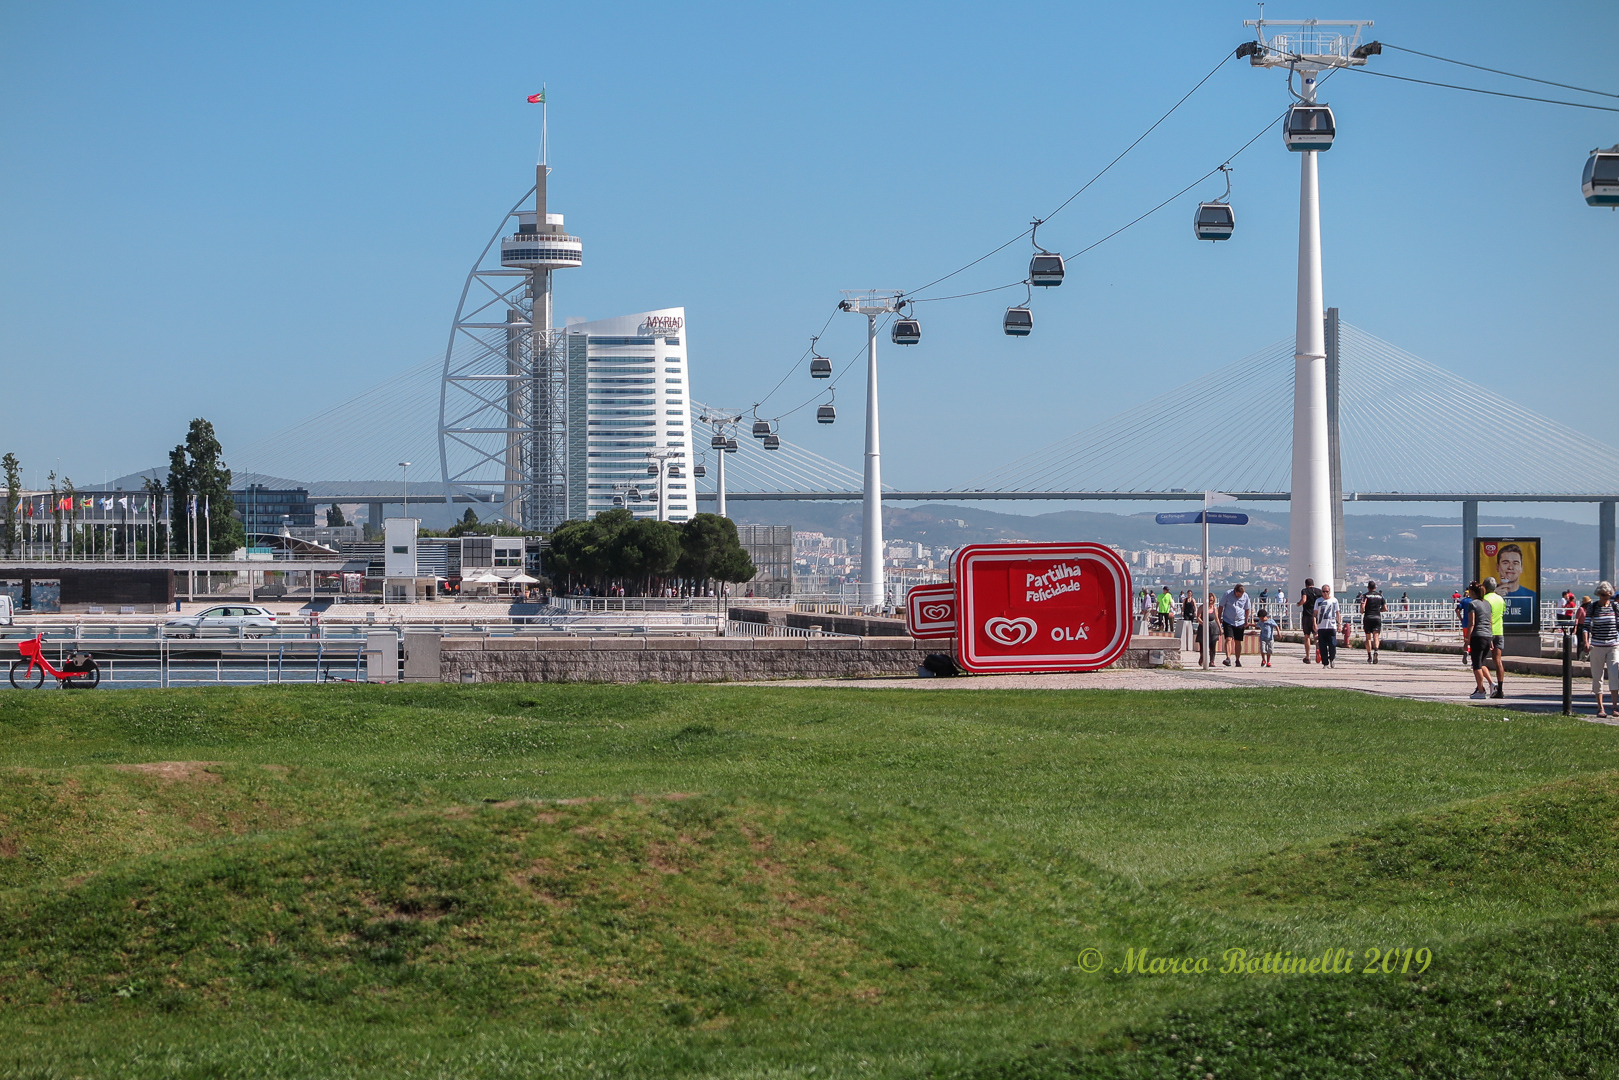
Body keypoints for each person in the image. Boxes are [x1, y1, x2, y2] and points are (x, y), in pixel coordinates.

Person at [1585, 583, 1619, 717]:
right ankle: (1600, 707)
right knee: (1597, 676)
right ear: (1599, 595)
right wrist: (1586, 642)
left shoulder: (1615, 607)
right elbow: (1586, 626)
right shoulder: (1593, 607)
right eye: (1604, 595)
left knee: (1614, 674)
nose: (1607, 598)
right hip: (1597, 646)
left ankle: (1614, 707)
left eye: (1609, 595)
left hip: (1613, 645)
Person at [1461, 583, 1496, 700]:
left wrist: (1467, 640)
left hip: (1477, 636)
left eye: (1470, 591)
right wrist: (1490, 638)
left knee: (1476, 665)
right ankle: (1491, 684)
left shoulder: (1473, 604)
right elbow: (1490, 622)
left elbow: (1472, 623)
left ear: (1472, 592)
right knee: (1482, 663)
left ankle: (1481, 690)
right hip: (1487, 636)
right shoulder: (1487, 604)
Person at [1482, 576, 1507, 699]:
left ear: (1485, 587)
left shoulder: (1484, 599)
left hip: (1487, 632)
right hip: (1499, 632)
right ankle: (1500, 689)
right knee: (1498, 661)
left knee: (1480, 660)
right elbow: (1503, 611)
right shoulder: (1500, 599)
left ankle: (1481, 687)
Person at [1219, 583, 1253, 667]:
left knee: (1238, 641)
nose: (1239, 596)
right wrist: (1219, 618)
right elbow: (1221, 606)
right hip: (1228, 620)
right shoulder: (1227, 594)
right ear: (1235, 591)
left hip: (1240, 621)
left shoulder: (1245, 596)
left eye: (1240, 595)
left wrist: (1246, 620)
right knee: (1228, 639)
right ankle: (1228, 658)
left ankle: (1237, 659)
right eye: (1238, 595)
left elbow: (1247, 608)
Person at [1314, 584, 1341, 668]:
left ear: (1329, 592)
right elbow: (1315, 614)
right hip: (1321, 626)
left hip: (1331, 626)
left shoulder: (1334, 600)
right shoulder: (1318, 601)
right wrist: (1314, 624)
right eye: (1323, 591)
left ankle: (1332, 658)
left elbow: (1337, 613)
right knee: (1322, 646)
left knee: (1332, 644)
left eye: (1327, 591)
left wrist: (1339, 624)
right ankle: (1325, 663)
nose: (1325, 593)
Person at [1361, 581, 1387, 663]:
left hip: (1368, 617)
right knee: (1376, 636)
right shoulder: (1380, 596)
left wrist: (1362, 611)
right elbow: (1385, 608)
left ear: (1368, 587)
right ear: (1375, 587)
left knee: (1368, 637)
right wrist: (1379, 610)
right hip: (1377, 617)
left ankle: (1369, 656)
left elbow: (1362, 607)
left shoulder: (1365, 596)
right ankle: (1376, 650)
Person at [1298, 578, 1322, 663]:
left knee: (1307, 636)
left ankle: (1308, 657)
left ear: (1306, 584)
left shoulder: (1305, 590)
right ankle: (1318, 649)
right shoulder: (1319, 591)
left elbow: (1304, 600)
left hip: (1307, 615)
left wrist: (1299, 604)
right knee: (1316, 634)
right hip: (1316, 615)